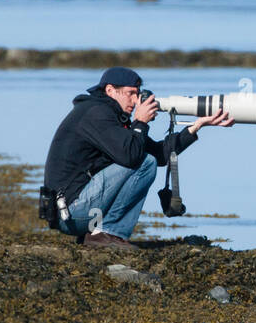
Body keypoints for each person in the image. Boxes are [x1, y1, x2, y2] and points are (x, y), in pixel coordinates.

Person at [42, 66, 233, 250]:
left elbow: (159, 155)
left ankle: (99, 233)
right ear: (110, 90)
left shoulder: (111, 117)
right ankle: (107, 233)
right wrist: (140, 122)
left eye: (138, 93)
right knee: (144, 162)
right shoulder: (95, 114)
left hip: (75, 213)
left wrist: (197, 126)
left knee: (147, 159)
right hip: (72, 214)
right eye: (130, 93)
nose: (135, 100)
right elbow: (132, 158)